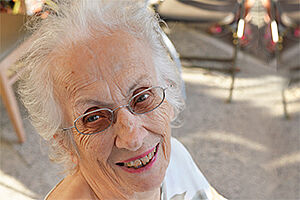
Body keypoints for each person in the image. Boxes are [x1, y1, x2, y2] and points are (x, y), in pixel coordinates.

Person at [18, 0, 226, 199]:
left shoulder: (175, 158)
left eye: (142, 97)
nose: (133, 139)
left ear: (169, 92)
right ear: (66, 144)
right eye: (94, 117)